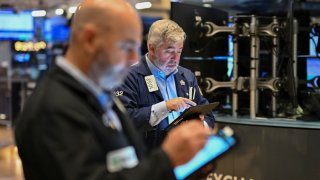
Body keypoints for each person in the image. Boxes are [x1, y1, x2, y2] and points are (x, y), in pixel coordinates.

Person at [14, 1, 211, 180]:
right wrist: (167, 160)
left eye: (135, 46)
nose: (134, 58)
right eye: (126, 46)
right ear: (90, 40)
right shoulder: (53, 109)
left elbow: (129, 163)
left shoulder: (99, 95)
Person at [117, 19, 215, 148]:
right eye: (169, 51)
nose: (175, 58)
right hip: (149, 158)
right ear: (151, 48)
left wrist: (200, 125)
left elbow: (207, 114)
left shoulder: (187, 76)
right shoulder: (127, 76)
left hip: (184, 155)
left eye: (179, 51)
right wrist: (165, 107)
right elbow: (124, 121)